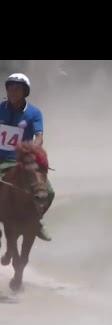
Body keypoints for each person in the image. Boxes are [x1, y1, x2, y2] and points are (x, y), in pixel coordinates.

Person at [0, 73, 54, 240]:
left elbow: (39, 136)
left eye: (17, 89)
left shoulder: (34, 113)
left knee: (49, 192)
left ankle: (36, 221)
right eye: (10, 88)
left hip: (21, 161)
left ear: (25, 91)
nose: (13, 92)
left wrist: (32, 149)